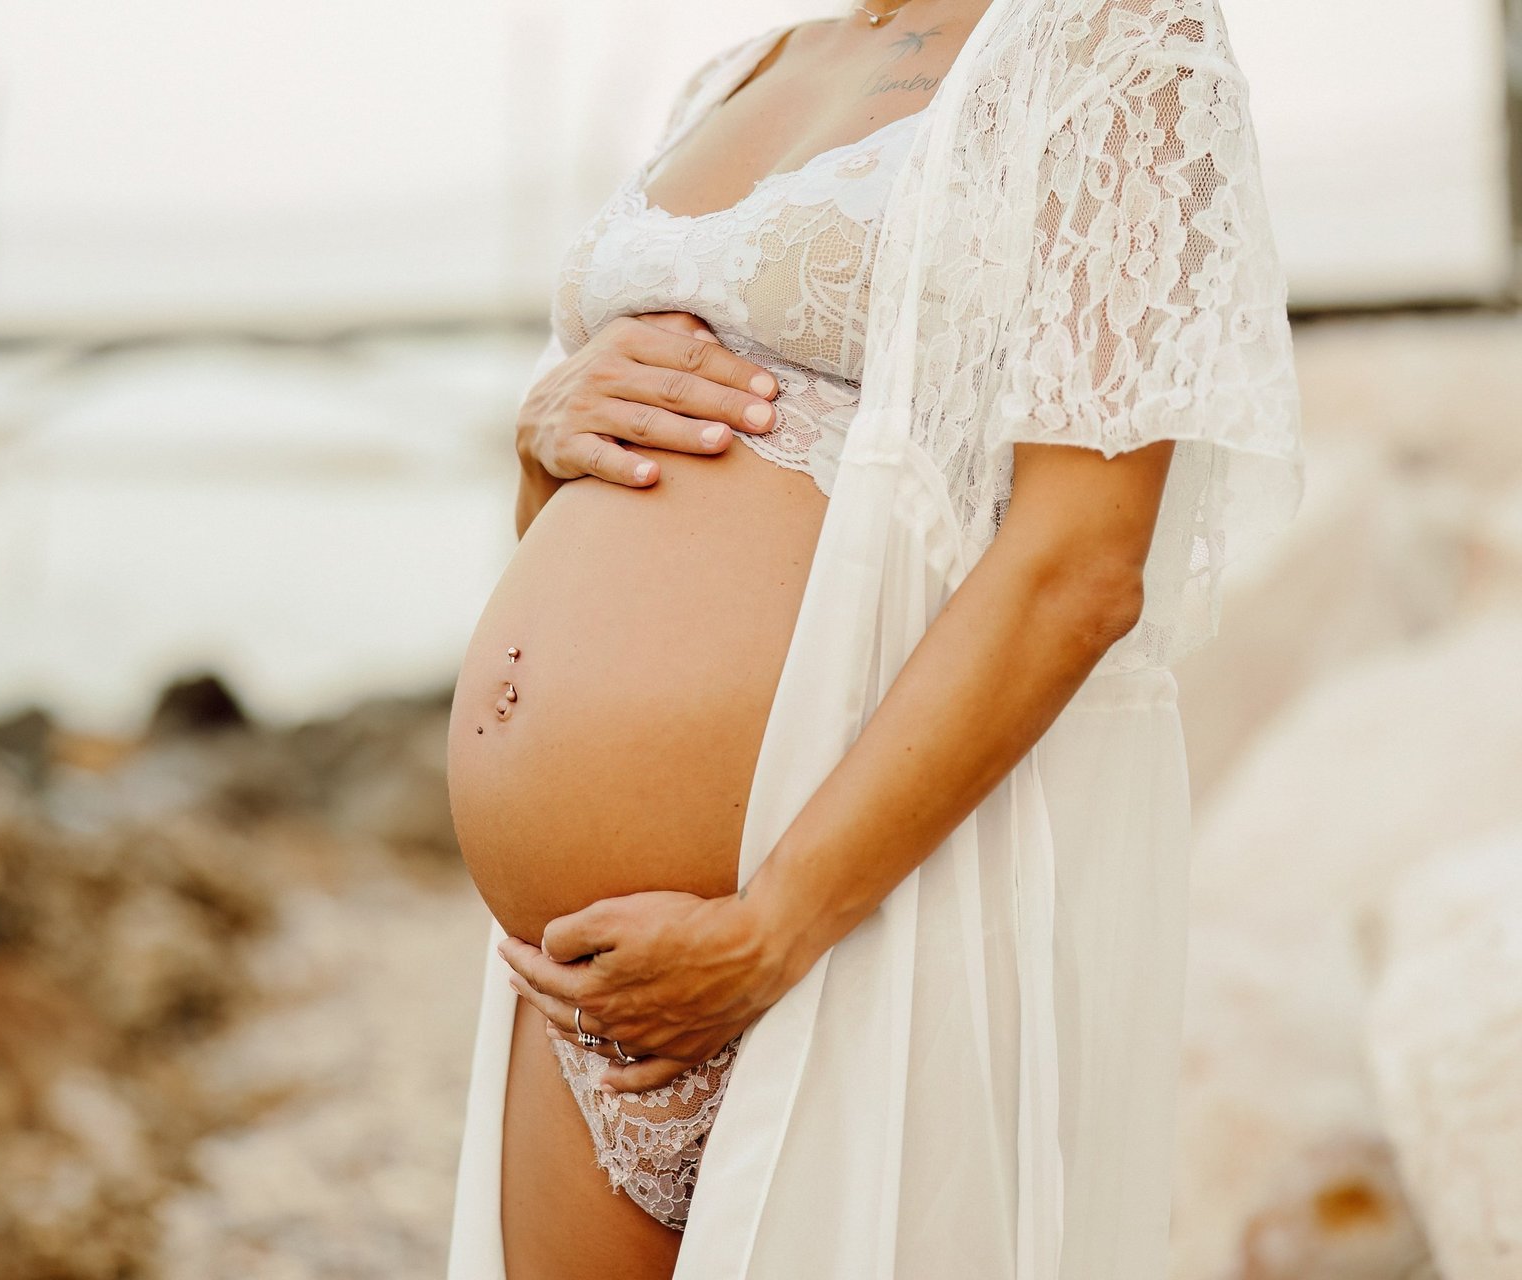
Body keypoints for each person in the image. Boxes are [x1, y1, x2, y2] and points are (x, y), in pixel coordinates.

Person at [444, 0, 1306, 1275]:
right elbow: (588, 506)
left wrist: (770, 929)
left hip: (849, 932)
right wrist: (544, 434)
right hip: (571, 980)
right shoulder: (732, 75)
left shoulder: (1113, 42)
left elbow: (1078, 567)